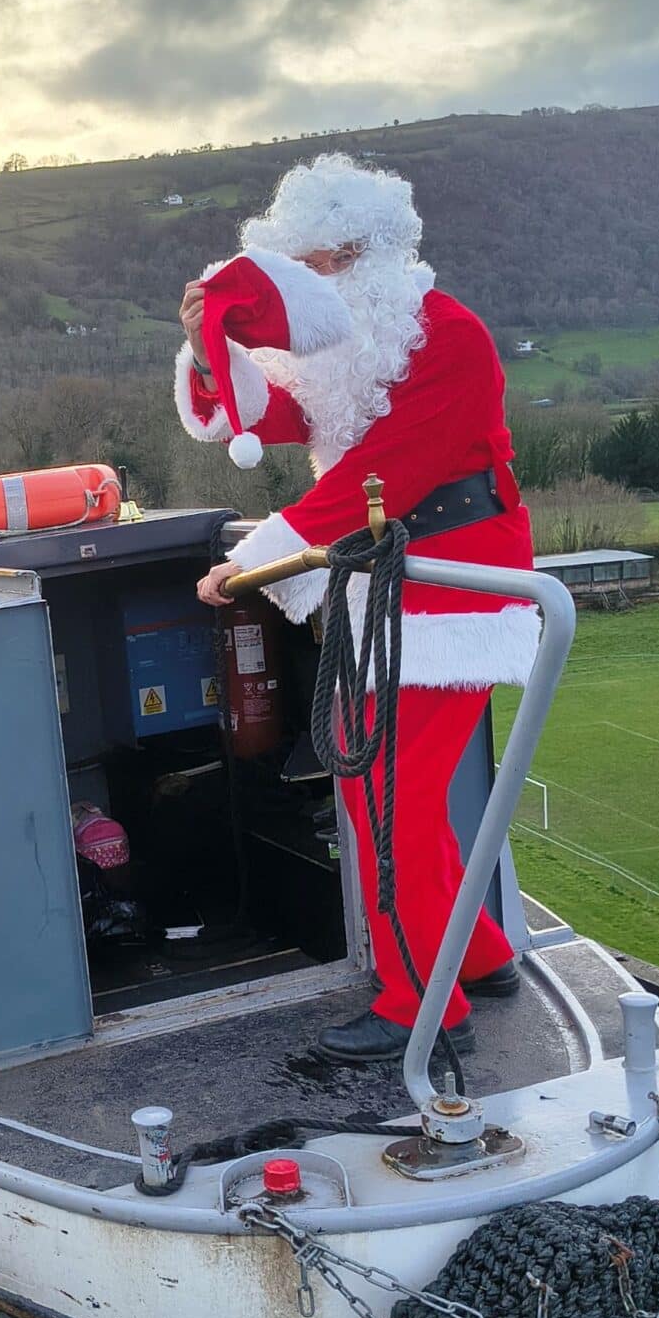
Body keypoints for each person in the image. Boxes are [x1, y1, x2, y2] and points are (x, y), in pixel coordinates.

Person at [180, 154, 533, 1063]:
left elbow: (380, 474)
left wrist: (249, 566)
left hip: (453, 590)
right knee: (392, 787)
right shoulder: (362, 345)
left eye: (318, 266)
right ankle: (479, 957)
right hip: (396, 584)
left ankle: (423, 1002)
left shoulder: (447, 338)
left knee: (386, 795)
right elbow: (281, 415)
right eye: (296, 269)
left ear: (363, 255)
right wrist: (209, 351)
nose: (309, 286)